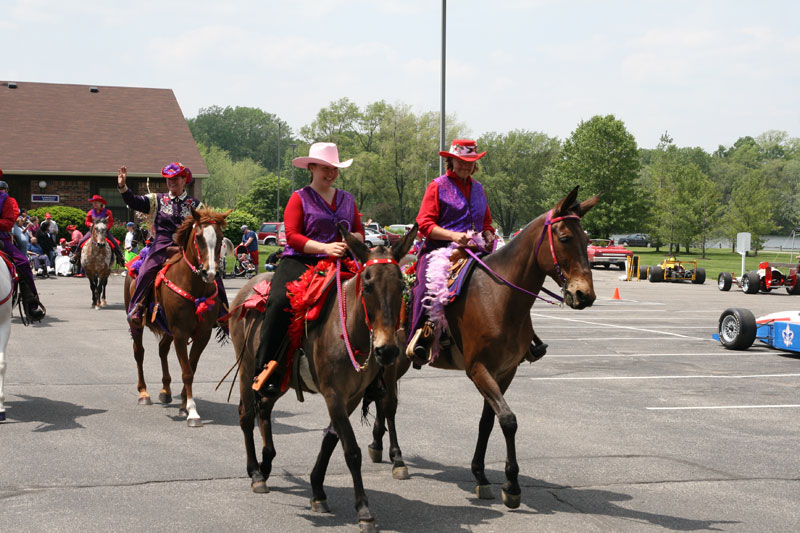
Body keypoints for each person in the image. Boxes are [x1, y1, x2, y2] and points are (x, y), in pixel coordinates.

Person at [253, 142, 365, 398]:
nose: (331, 173)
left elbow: (359, 231)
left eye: (334, 169)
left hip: (341, 261)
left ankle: (374, 370)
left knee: (373, 295)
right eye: (325, 168)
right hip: (301, 262)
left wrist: (350, 241)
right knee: (280, 302)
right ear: (311, 168)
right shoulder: (299, 197)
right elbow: (291, 236)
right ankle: (267, 370)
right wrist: (325, 248)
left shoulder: (347, 199)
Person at [406, 140, 504, 362]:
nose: (465, 166)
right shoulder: (437, 185)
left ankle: (522, 338)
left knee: (504, 279)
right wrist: (452, 236)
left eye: (470, 162)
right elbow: (424, 224)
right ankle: (422, 339)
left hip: (475, 250)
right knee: (424, 290)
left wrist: (488, 235)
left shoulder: (478, 188)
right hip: (439, 250)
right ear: (451, 161)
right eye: (460, 161)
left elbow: (486, 223)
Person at [118, 162, 229, 328]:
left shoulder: (195, 204)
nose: (172, 182)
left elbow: (205, 227)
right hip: (162, 245)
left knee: (213, 272)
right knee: (146, 270)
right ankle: (138, 308)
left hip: (186, 247)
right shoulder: (157, 200)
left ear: (184, 180)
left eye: (175, 178)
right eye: (169, 179)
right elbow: (134, 202)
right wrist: (123, 187)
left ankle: (222, 312)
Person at [0, 177, 46, 320]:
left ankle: (31, 303)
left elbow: (8, 223)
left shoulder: (8, 200)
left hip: (1, 238)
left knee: (23, 263)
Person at [71, 194, 126, 267]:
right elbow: (87, 222)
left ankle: (120, 258)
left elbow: (111, 222)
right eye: (93, 202)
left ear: (101, 203)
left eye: (96, 202)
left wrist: (106, 228)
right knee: (81, 241)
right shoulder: (90, 212)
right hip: (93, 231)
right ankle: (75, 256)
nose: (95, 204)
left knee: (114, 243)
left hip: (104, 231)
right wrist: (91, 225)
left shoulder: (107, 212)